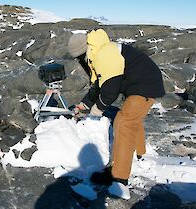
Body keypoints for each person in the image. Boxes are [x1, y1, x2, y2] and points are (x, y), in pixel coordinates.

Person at [67, 29, 165, 199]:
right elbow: (97, 85)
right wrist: (84, 104)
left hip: (145, 85)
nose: (80, 61)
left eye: (80, 57)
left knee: (124, 120)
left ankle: (119, 179)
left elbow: (110, 88)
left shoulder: (105, 54)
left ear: (85, 50)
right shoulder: (97, 52)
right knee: (132, 118)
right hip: (142, 83)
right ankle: (140, 153)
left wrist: (98, 108)